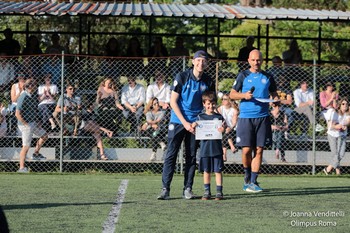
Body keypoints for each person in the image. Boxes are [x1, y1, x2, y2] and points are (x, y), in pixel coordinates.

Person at [157, 50, 215, 200]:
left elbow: (208, 104)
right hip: (178, 121)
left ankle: (187, 189)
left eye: (204, 61)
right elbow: (173, 102)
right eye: (198, 60)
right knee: (171, 154)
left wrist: (196, 122)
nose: (201, 63)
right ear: (193, 61)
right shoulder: (182, 77)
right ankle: (165, 189)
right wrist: (185, 122)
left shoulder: (208, 81)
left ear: (207, 63)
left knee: (191, 156)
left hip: (196, 123)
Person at [230, 49, 279, 193]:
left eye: (258, 60)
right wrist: (244, 95)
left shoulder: (268, 76)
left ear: (262, 60)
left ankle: (253, 181)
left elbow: (274, 94)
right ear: (249, 61)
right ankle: (247, 176)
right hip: (245, 117)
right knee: (246, 150)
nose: (256, 62)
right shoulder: (243, 75)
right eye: (253, 60)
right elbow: (232, 94)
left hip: (263, 117)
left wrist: (275, 102)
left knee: (259, 149)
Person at [192, 91, 225, 200]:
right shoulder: (200, 117)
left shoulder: (219, 117)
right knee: (206, 170)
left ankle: (219, 192)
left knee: (217, 170)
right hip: (205, 149)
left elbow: (225, 128)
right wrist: (194, 125)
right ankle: (207, 192)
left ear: (215, 103)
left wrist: (223, 129)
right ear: (204, 104)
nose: (211, 106)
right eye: (208, 104)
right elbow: (194, 128)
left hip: (217, 149)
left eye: (213, 103)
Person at [15, 79, 48, 173]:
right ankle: (21, 168)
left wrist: (37, 122)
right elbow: (17, 114)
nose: (36, 86)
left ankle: (36, 153)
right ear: (29, 86)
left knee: (45, 136)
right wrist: (25, 124)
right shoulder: (23, 96)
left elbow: (34, 110)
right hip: (25, 124)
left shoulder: (32, 96)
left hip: (33, 123)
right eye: (34, 85)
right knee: (26, 146)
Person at [323, 98, 350, 176]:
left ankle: (328, 169)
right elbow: (331, 126)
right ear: (340, 105)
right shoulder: (335, 113)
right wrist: (337, 126)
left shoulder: (348, 113)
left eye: (346, 104)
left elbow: (348, 122)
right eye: (343, 104)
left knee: (341, 154)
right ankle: (338, 172)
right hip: (332, 134)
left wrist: (344, 125)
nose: (345, 105)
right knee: (335, 154)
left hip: (342, 135)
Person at [217, 92, 239, 162]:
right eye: (222, 99)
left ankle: (224, 154)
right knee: (225, 131)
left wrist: (230, 127)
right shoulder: (220, 109)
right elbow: (219, 120)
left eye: (225, 99)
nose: (223, 101)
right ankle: (232, 147)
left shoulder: (234, 110)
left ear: (230, 100)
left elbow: (234, 122)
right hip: (223, 128)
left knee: (227, 131)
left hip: (232, 129)